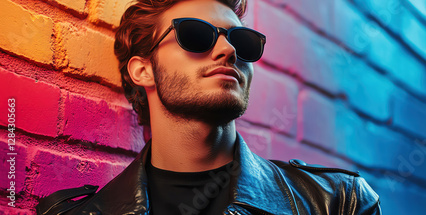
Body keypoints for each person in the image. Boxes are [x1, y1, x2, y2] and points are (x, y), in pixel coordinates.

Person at [36, 0, 381, 214]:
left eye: (240, 40)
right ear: (143, 70)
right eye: (196, 35)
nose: (228, 50)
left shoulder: (337, 203)